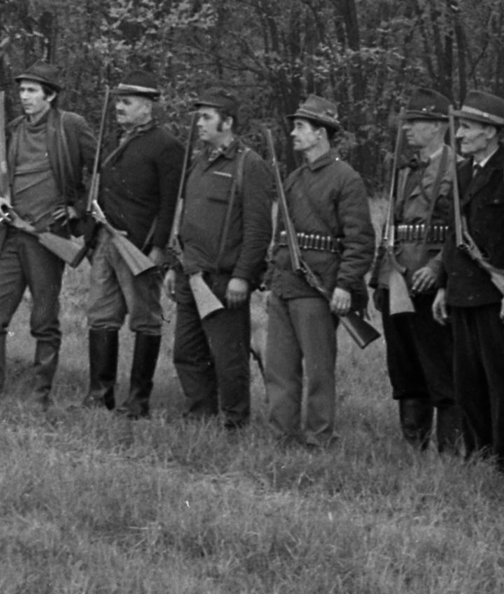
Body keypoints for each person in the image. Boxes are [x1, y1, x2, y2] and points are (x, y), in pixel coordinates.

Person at [429, 91, 504, 479]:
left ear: (490, 132)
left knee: (503, 384)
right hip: (462, 293)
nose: (459, 135)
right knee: (468, 384)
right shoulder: (462, 173)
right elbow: (453, 236)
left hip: (497, 296)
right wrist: (443, 285)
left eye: (468, 127)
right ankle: (478, 458)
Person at [0, 62, 96, 409]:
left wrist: (77, 208)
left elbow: (100, 169)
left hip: (47, 238)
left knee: (44, 320)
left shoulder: (70, 126)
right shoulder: (13, 129)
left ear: (51, 95)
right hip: (11, 236)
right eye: (22, 90)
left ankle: (39, 393)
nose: (25, 96)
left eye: (32, 90)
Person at [264, 95, 375, 448]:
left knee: (318, 371)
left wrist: (344, 285)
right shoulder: (293, 178)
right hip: (285, 284)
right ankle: (282, 436)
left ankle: (319, 438)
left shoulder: (346, 179)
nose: (293, 133)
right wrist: (271, 279)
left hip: (318, 288)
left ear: (320, 134)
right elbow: (280, 236)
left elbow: (360, 241)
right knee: (279, 369)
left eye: (300, 127)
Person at [168, 90, 273, 429]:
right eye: (199, 117)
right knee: (187, 352)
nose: (199, 123)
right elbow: (185, 221)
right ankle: (200, 416)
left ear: (227, 123)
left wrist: (242, 276)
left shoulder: (249, 164)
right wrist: (174, 267)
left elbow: (258, 229)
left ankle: (234, 422)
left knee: (229, 356)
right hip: (190, 274)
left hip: (225, 279)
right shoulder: (199, 161)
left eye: (206, 117)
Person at [84, 69, 185, 418]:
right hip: (105, 240)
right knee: (101, 315)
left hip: (139, 247)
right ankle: (100, 395)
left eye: (127, 102)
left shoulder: (167, 146)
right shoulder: (115, 140)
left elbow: (170, 205)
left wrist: (158, 249)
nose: (119, 108)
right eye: (119, 102)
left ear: (147, 107)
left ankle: (138, 401)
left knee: (145, 319)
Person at [377, 89, 460, 453]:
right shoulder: (404, 170)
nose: (407, 128)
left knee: (440, 367)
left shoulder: (457, 169)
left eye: (416, 121)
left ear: (439, 125)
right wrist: (381, 278)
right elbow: (391, 226)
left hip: (430, 279)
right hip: (396, 276)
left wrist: (438, 269)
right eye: (407, 121)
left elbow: (460, 230)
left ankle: (450, 451)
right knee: (405, 367)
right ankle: (414, 447)